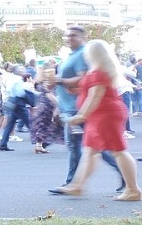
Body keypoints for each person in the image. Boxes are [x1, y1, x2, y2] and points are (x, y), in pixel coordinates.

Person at [51, 40, 140, 201]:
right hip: (101, 114)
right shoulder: (100, 71)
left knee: (118, 151)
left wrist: (81, 116)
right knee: (91, 152)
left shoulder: (97, 72)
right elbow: (92, 93)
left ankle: (133, 189)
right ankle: (77, 185)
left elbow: (96, 96)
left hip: (104, 115)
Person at [30, 63, 61, 154]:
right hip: (48, 106)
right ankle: (42, 144)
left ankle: (39, 145)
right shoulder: (48, 83)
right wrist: (58, 104)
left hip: (41, 104)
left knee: (41, 125)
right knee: (50, 125)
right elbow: (50, 94)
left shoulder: (39, 82)